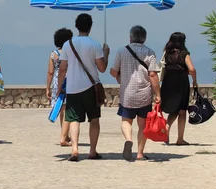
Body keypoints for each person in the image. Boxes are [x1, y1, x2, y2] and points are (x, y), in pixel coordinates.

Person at [56, 13, 110, 162]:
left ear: (76, 26)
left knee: (74, 119)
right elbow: (102, 68)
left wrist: (59, 87)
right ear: (90, 27)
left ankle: (74, 150)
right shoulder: (95, 45)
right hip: (91, 87)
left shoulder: (68, 44)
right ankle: (92, 150)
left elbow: (62, 69)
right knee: (94, 119)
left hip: (73, 87)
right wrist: (106, 54)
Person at [110, 25, 161, 161]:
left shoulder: (122, 51)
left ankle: (128, 139)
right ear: (144, 39)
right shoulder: (150, 53)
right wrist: (158, 94)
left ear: (130, 37)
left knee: (126, 121)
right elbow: (153, 75)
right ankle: (139, 153)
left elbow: (113, 71)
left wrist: (120, 77)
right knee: (143, 124)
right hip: (144, 94)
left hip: (127, 94)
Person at [160, 32, 198, 145]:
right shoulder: (184, 54)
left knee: (174, 110)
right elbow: (192, 69)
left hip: (168, 83)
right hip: (181, 83)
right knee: (181, 110)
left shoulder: (167, 53)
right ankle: (180, 138)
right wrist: (195, 81)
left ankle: (167, 127)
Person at [46, 27, 74, 146]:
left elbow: (50, 72)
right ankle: (65, 135)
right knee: (69, 109)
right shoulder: (71, 53)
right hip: (70, 81)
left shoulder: (54, 54)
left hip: (57, 82)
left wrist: (48, 87)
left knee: (61, 109)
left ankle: (64, 134)